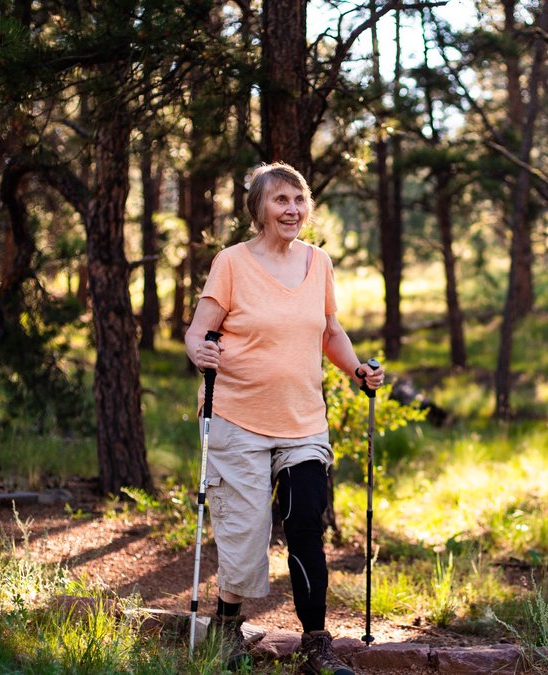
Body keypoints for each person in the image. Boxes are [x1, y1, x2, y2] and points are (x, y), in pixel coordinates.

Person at [185, 162, 383, 675]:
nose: (291, 209)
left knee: (305, 524)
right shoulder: (231, 263)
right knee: (246, 533)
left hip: (303, 423)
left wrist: (356, 368)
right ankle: (227, 626)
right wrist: (199, 354)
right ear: (259, 209)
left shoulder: (318, 263)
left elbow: (330, 331)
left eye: (298, 200)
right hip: (237, 417)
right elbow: (199, 329)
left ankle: (316, 644)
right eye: (280, 200)